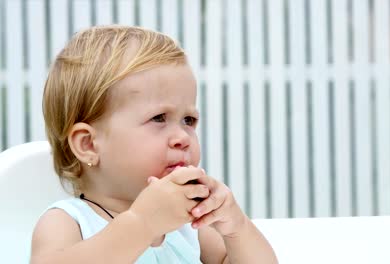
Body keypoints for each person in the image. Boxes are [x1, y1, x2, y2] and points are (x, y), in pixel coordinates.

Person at [30, 25, 277, 264]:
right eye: (159, 118)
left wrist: (237, 227)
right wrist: (142, 223)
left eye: (188, 120)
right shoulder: (67, 222)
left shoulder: (188, 227)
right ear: (88, 145)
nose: (182, 137)